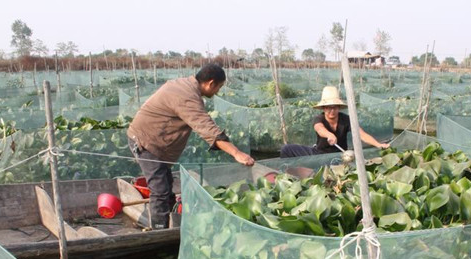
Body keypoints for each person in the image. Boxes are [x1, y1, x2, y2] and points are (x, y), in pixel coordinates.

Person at [127, 64, 254, 229]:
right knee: (160, 190)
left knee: (166, 185)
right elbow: (207, 129)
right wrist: (237, 153)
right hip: (146, 142)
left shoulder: (185, 85)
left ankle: (170, 224)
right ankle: (158, 233)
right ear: (210, 83)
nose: (218, 92)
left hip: (155, 142)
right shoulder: (186, 96)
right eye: (219, 87)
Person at [280, 86, 390, 158]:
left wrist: (378, 144)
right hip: (319, 154)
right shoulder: (319, 119)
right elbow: (319, 128)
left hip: (341, 155)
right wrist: (329, 135)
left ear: (339, 108)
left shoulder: (346, 119)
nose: (332, 111)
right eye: (328, 108)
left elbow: (362, 134)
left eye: (335, 107)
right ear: (323, 108)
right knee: (287, 149)